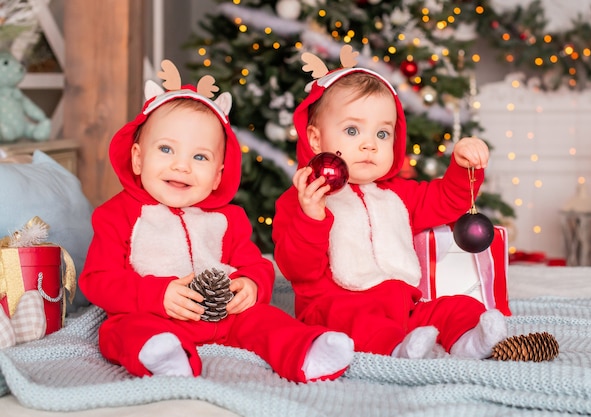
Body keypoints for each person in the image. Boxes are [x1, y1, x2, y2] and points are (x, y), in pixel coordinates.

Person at [79, 60, 354, 382]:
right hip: (152, 312)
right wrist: (155, 295)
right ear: (138, 159)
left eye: (200, 157)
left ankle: (306, 352)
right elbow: (98, 278)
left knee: (265, 318)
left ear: (217, 176)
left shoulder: (227, 219)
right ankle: (164, 355)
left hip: (224, 317)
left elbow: (256, 264)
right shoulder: (117, 214)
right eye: (166, 149)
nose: (182, 166)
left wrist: (251, 285)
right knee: (120, 330)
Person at [272, 63, 508, 360]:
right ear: (316, 139)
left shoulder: (398, 194)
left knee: (458, 306)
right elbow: (298, 269)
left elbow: (448, 200)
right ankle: (398, 350)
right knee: (358, 323)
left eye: (382, 134)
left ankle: (468, 341)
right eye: (352, 130)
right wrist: (311, 216)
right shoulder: (302, 200)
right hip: (337, 309)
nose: (369, 144)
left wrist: (463, 167)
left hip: (403, 306)